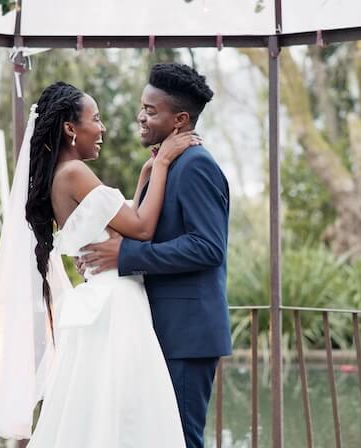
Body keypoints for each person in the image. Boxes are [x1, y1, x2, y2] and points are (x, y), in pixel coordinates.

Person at [0, 80, 199, 447]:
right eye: (95, 119)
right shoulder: (75, 173)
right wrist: (161, 162)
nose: (102, 129)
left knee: (101, 410)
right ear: (70, 128)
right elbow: (142, 228)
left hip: (100, 298)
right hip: (116, 303)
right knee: (128, 411)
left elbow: (119, 220)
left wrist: (145, 175)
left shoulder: (58, 177)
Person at [79, 63, 232, 448]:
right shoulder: (166, 164)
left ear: (180, 119)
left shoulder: (197, 165)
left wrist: (125, 255)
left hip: (187, 334)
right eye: (142, 107)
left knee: (180, 439)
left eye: (150, 110)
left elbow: (208, 247)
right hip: (161, 329)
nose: (140, 116)